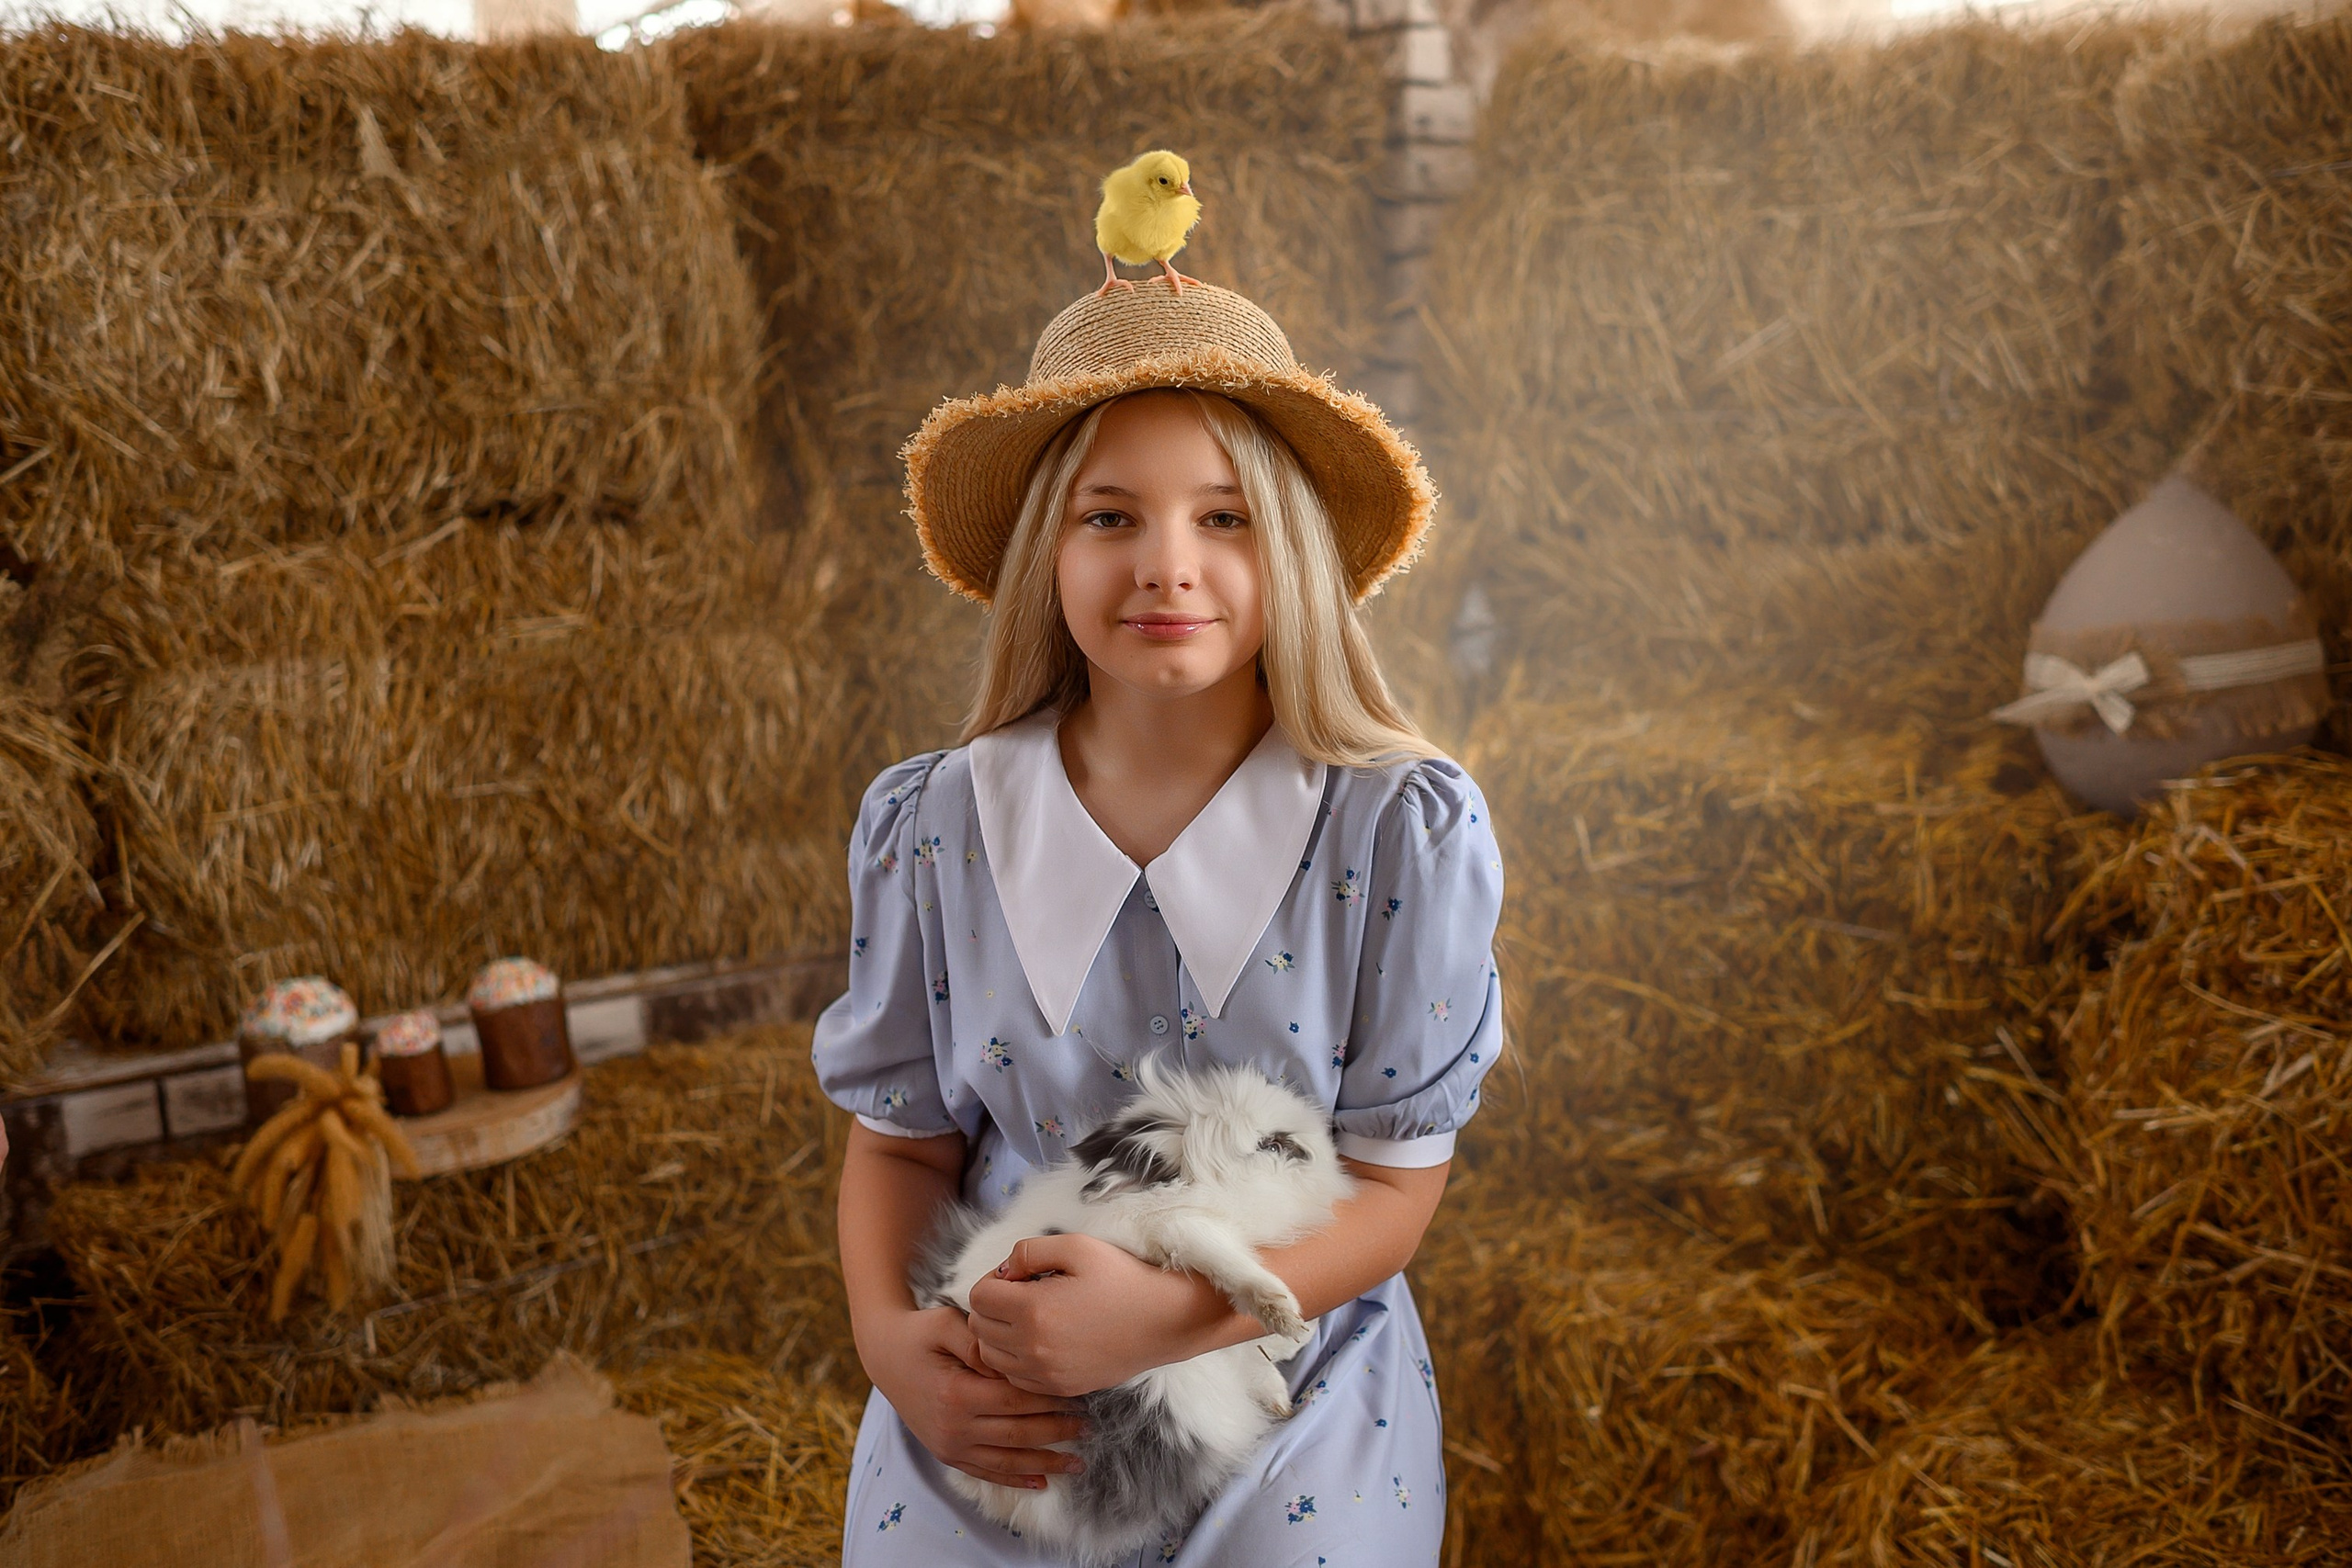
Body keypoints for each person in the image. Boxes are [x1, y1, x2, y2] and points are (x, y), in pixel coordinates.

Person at [814, 282, 1505, 1565]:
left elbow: (1398, 1188)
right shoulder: (937, 828)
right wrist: (893, 1347)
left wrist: (1167, 1322)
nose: (1167, 564)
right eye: (1109, 517)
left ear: (1290, 545)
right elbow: (900, 1148)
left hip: (1276, 1365)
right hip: (996, 1374)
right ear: (1047, 555)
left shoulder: (1396, 833)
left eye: (1224, 518)